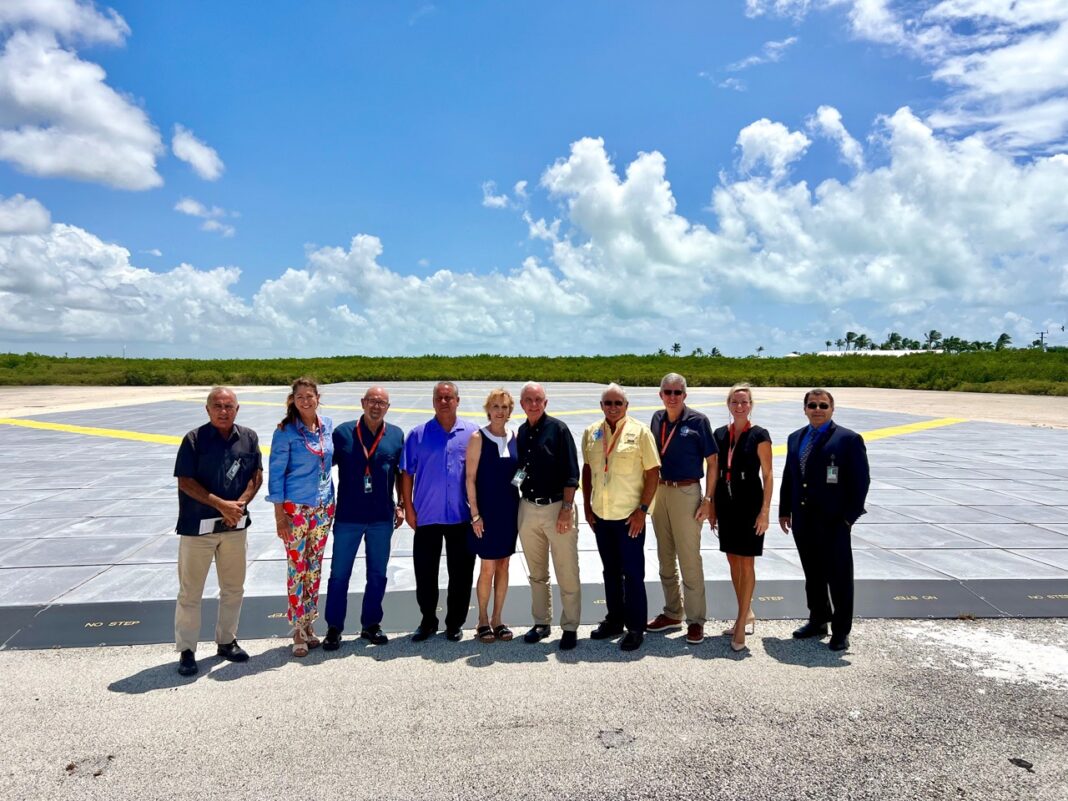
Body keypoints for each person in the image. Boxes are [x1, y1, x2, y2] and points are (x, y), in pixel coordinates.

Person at [173, 386, 263, 676]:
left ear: (237, 409)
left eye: (229, 406)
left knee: (233, 588)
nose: (223, 411)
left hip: (234, 526)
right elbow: (185, 481)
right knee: (190, 592)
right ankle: (187, 650)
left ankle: (227, 641)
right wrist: (220, 504)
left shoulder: (248, 438)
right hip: (198, 528)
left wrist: (239, 504)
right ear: (207, 409)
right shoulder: (194, 440)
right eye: (217, 406)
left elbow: (256, 476)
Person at [779, 388, 870, 652]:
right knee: (813, 573)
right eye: (812, 405)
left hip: (834, 522)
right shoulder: (796, 438)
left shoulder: (848, 440)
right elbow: (790, 476)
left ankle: (841, 631)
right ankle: (818, 619)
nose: (817, 410)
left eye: (822, 405)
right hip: (803, 519)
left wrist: (849, 518)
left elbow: (861, 481)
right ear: (804, 409)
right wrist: (785, 509)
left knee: (839, 577)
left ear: (832, 409)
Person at [323, 386, 405, 651]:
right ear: (362, 403)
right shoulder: (343, 433)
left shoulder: (395, 435)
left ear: (388, 407)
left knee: (378, 574)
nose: (376, 406)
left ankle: (371, 625)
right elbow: (322, 467)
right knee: (339, 574)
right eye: (371, 401)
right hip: (348, 516)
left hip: (382, 517)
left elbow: (401, 474)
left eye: (381, 402)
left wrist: (402, 504)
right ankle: (334, 627)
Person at [581, 384, 660, 652]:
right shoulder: (591, 432)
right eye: (608, 403)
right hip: (602, 516)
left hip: (629, 518)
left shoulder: (640, 432)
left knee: (633, 573)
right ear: (601, 406)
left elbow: (652, 473)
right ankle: (614, 620)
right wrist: (588, 507)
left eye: (618, 403)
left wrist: (642, 510)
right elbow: (588, 469)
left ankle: (636, 627)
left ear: (626, 406)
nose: (613, 407)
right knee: (610, 572)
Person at [402, 381, 478, 642]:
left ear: (458, 400)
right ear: (433, 401)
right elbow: (407, 474)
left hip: (461, 516)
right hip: (427, 515)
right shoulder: (417, 435)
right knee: (425, 572)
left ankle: (455, 622)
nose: (444, 401)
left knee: (461, 572)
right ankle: (427, 620)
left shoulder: (472, 433)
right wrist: (408, 508)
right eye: (439, 397)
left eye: (449, 397)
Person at [267, 377, 335, 657]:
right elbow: (276, 474)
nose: (305, 401)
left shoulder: (326, 426)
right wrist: (279, 516)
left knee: (315, 566)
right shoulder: (285, 432)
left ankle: (309, 623)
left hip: (323, 506)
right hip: (295, 508)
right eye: (300, 397)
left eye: (310, 396)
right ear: (292, 401)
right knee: (297, 567)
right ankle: (296, 627)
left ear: (318, 397)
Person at [647, 373, 717, 645]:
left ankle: (696, 620)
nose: (672, 397)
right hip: (661, 491)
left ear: (685, 395)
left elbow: (713, 462)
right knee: (665, 557)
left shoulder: (698, 421)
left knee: (689, 559)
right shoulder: (656, 419)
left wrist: (708, 500)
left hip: (687, 492)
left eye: (678, 392)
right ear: (661, 394)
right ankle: (673, 612)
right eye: (668, 392)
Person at [515, 381, 581, 651]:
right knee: (537, 572)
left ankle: (570, 626)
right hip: (529, 507)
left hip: (557, 508)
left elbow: (571, 473)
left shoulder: (559, 429)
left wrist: (566, 510)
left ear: (545, 402)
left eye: (538, 399)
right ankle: (541, 622)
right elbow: (520, 470)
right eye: (528, 400)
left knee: (566, 570)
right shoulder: (521, 432)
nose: (533, 404)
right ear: (522, 404)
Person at [712, 383, 773, 652]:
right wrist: (711, 504)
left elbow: (768, 475)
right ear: (728, 404)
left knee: (746, 563)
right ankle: (746, 613)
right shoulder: (719, 434)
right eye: (735, 401)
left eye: (744, 401)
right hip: (726, 504)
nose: (739, 406)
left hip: (750, 505)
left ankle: (740, 624)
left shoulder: (759, 435)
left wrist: (765, 511)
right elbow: (712, 472)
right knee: (732, 560)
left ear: (751, 405)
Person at [465, 388, 520, 643]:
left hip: (509, 510)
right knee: (487, 566)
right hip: (486, 512)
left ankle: (499, 618)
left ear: (511, 411)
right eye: (496, 406)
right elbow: (470, 478)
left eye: (505, 407)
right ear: (488, 409)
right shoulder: (478, 437)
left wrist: (521, 481)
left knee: (504, 564)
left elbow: (521, 473)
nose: (500, 411)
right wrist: (475, 514)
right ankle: (483, 619)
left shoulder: (515, 436)